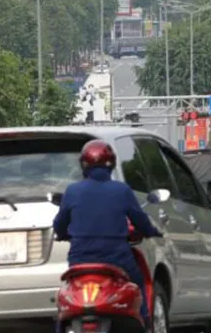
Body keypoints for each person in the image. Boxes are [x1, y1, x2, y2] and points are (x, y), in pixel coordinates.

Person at [53, 140, 163, 328]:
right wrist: (152, 231)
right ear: (111, 163)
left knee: (64, 307)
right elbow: (140, 220)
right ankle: (145, 321)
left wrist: (63, 234)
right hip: (117, 259)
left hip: (80, 261)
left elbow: (59, 225)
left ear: (83, 165)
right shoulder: (122, 190)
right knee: (139, 283)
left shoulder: (72, 191)